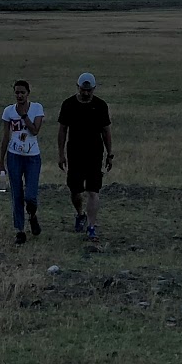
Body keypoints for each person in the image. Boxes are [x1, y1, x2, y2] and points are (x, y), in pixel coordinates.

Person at [57, 71, 113, 239]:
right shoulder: (68, 105)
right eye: (83, 90)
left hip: (95, 153)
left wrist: (110, 153)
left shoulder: (101, 106)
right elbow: (62, 130)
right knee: (75, 190)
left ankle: (91, 226)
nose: (86, 93)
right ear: (78, 87)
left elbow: (106, 131)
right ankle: (80, 214)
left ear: (94, 89)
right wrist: (61, 154)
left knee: (93, 190)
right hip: (74, 152)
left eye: (90, 90)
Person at [0, 78, 45, 243]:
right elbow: (5, 137)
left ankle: (32, 215)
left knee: (30, 195)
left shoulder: (37, 108)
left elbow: (35, 131)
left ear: (28, 93)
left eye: (22, 92)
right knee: (16, 194)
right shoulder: (8, 111)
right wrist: (1, 162)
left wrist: (24, 115)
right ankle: (20, 230)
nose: (19, 95)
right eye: (17, 92)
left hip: (32, 158)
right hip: (14, 156)